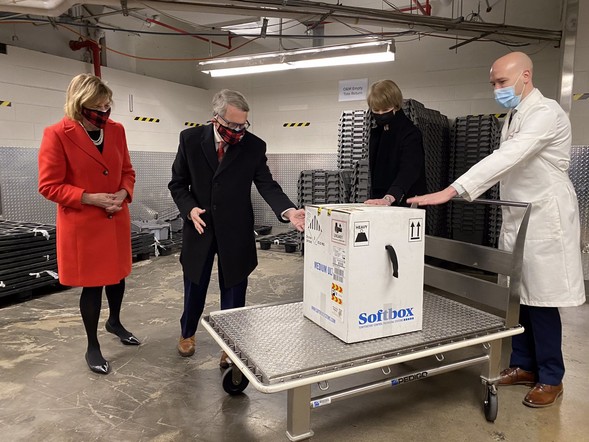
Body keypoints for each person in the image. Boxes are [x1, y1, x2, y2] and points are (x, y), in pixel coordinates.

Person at [408, 52, 586, 408]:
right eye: (493, 83)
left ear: (525, 76)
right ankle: (523, 364)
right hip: (519, 217)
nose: (496, 90)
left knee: (543, 301)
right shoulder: (514, 115)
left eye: (501, 82)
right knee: (517, 297)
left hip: (544, 218)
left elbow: (509, 156)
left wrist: (452, 190)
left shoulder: (546, 113)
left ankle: (551, 376)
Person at [168, 89, 305, 366]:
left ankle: (230, 344)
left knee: (234, 287)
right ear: (216, 119)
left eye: (243, 125)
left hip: (236, 227)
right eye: (232, 125)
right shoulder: (191, 140)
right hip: (200, 225)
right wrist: (189, 208)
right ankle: (187, 333)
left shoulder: (253, 146)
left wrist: (288, 210)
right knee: (195, 282)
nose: (238, 131)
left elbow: (267, 183)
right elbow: (178, 184)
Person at [38, 74, 140, 375]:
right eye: (97, 106)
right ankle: (93, 345)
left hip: (115, 218)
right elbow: (49, 186)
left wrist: (123, 193)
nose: (104, 112)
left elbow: (127, 171)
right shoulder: (57, 134)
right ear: (79, 104)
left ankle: (115, 322)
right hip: (85, 223)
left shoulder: (116, 130)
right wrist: (90, 198)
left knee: (118, 277)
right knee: (93, 285)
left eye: (108, 105)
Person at [364, 80, 427, 206]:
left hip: (406, 200)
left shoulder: (410, 133)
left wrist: (390, 197)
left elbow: (409, 170)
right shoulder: (377, 133)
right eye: (376, 110)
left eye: (385, 109)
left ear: (396, 106)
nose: (381, 114)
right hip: (380, 200)